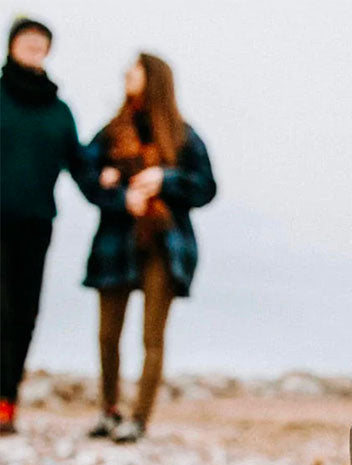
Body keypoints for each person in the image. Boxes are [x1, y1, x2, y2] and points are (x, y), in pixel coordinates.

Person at [82, 52, 216, 443]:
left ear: (154, 78)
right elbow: (84, 171)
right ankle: (109, 411)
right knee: (108, 333)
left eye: (135, 68)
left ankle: (139, 418)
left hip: (164, 243)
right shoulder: (110, 132)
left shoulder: (182, 135)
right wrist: (121, 197)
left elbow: (206, 186)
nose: (126, 73)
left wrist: (165, 179)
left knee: (151, 337)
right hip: (115, 242)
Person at [0, 17, 85, 435]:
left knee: (24, 313)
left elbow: (82, 166)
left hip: (36, 224)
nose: (34, 46)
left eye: (41, 42)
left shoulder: (58, 111)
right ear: (12, 46)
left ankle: (6, 401)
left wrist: (120, 194)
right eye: (27, 39)